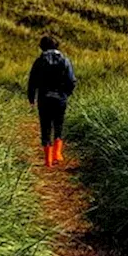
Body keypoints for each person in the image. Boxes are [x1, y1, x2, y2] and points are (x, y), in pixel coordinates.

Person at [27, 35, 77, 167]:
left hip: (44, 98)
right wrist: (66, 93)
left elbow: (32, 82)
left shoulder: (39, 61)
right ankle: (57, 154)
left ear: (42, 47)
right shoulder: (65, 60)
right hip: (60, 98)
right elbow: (71, 81)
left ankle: (48, 160)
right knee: (58, 125)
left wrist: (31, 98)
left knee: (45, 126)